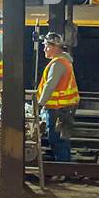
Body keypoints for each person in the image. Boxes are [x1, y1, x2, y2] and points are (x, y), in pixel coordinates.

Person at [35, 31, 80, 165]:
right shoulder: (64, 61)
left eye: (46, 46)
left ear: (54, 47)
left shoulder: (58, 63)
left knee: (57, 140)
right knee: (62, 139)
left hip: (58, 108)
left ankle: (63, 169)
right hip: (64, 108)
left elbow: (50, 85)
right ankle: (64, 167)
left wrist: (39, 104)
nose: (44, 49)